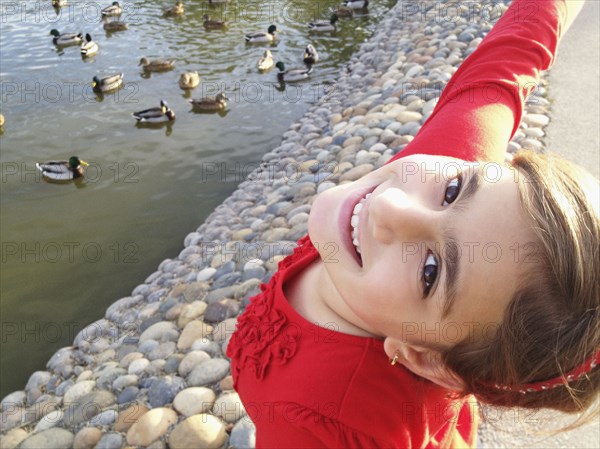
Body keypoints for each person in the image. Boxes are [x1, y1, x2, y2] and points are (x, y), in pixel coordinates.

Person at [226, 0, 599, 447]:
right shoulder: (453, 165)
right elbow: (514, 53)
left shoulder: (330, 423)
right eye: (453, 191)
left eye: (430, 272)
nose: (391, 207)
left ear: (426, 360)